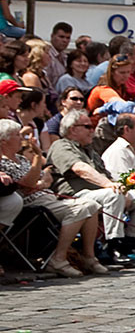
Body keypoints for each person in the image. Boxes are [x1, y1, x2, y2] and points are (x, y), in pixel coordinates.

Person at [50, 111, 135, 263]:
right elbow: (80, 169)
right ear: (72, 129)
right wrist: (109, 185)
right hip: (75, 195)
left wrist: (121, 188)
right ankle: (114, 245)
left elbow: (107, 176)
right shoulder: (61, 146)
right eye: (87, 127)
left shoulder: (90, 150)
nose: (92, 130)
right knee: (113, 194)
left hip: (100, 193)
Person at [0, 118, 100, 277]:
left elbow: (47, 178)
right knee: (80, 209)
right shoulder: (4, 163)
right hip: (31, 205)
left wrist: (41, 182)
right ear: (4, 141)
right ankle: (58, 259)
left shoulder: (23, 159)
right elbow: (28, 185)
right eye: (17, 135)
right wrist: (38, 158)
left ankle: (89, 256)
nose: (22, 138)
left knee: (92, 205)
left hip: (47, 197)